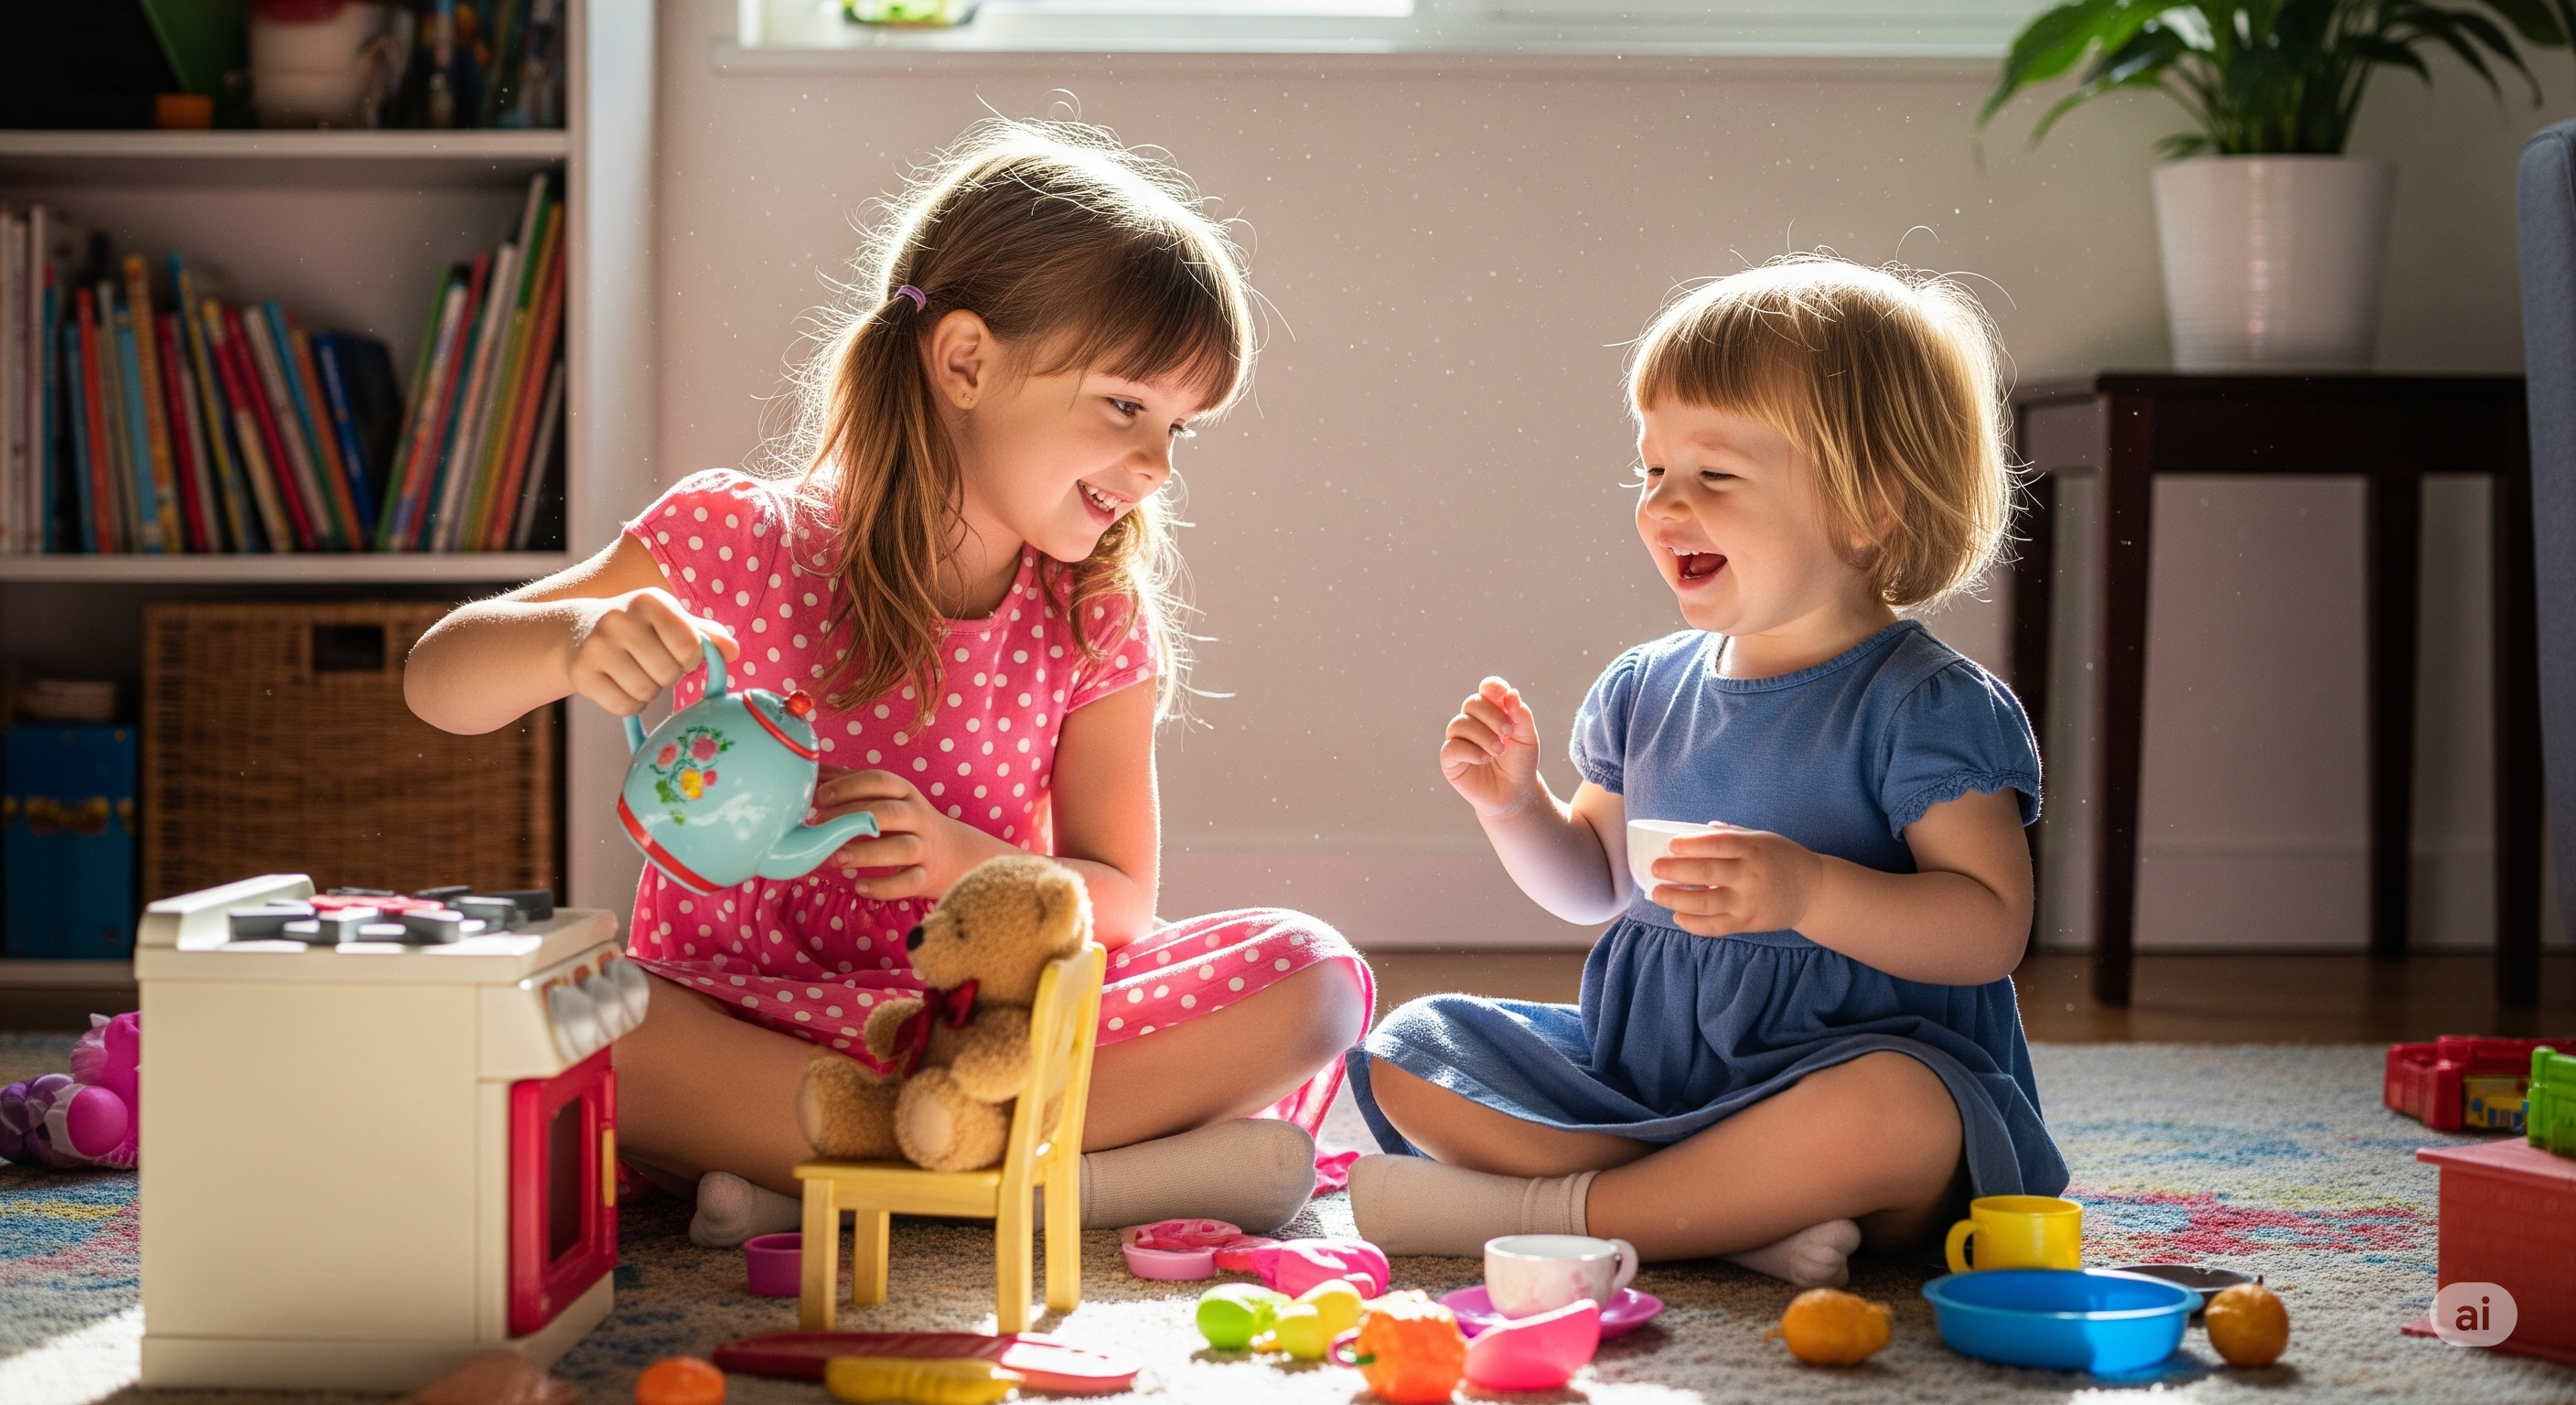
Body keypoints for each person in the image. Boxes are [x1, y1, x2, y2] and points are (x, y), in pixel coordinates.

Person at [407, 120, 1372, 1247]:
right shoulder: (736, 539)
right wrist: (570, 638)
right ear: (964, 361)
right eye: (1124, 406)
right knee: (571, 1010)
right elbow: (440, 681)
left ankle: (817, 1174)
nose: (1158, 464)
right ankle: (1047, 1179)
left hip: (975, 1040)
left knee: (1315, 979)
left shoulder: (1092, 614)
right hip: (738, 1017)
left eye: (1178, 427)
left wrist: (974, 863)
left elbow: (1117, 897)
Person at [1343, 256, 2066, 1289]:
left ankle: (1567, 1214)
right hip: (1653, 1083)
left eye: (1713, 476)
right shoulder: (1645, 686)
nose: (1663, 505)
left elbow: (1988, 925)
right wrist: (1513, 807)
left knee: (1896, 1113)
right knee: (1408, 1048)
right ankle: (1723, 1215)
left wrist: (1810, 891)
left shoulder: (1922, 705)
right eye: (1651, 472)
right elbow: (1594, 883)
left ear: (1866, 509)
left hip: (1844, 1082)